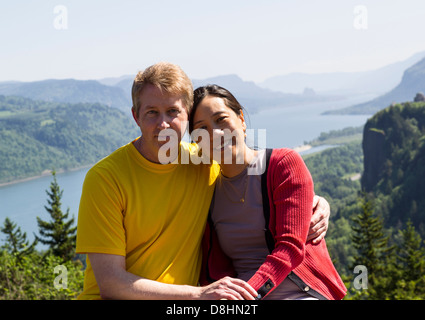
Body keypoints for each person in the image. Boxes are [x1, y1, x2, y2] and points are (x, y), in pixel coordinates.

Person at [76, 62, 331, 300]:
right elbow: (110, 283)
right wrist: (198, 294)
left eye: (173, 111)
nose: (163, 123)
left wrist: (316, 202)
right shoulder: (105, 178)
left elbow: (266, 176)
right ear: (135, 116)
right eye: (152, 112)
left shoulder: (204, 160)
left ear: (186, 116)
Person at [189, 84, 347, 300]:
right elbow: (214, 270)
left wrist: (248, 296)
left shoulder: (282, 164)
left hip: (297, 293)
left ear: (241, 120)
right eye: (202, 129)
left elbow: (290, 248)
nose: (215, 134)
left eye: (221, 120)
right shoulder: (207, 191)